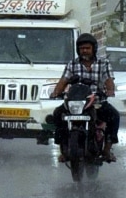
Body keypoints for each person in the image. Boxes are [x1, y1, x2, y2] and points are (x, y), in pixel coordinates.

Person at [48, 32, 120, 162]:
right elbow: (63, 81)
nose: (84, 51)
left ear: (94, 49)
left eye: (87, 48)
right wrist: (56, 93)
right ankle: (63, 150)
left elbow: (109, 80)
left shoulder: (103, 63)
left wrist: (109, 90)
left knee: (114, 116)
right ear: (78, 50)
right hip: (74, 104)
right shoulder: (72, 64)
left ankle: (107, 150)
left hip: (97, 102)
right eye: (82, 49)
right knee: (57, 114)